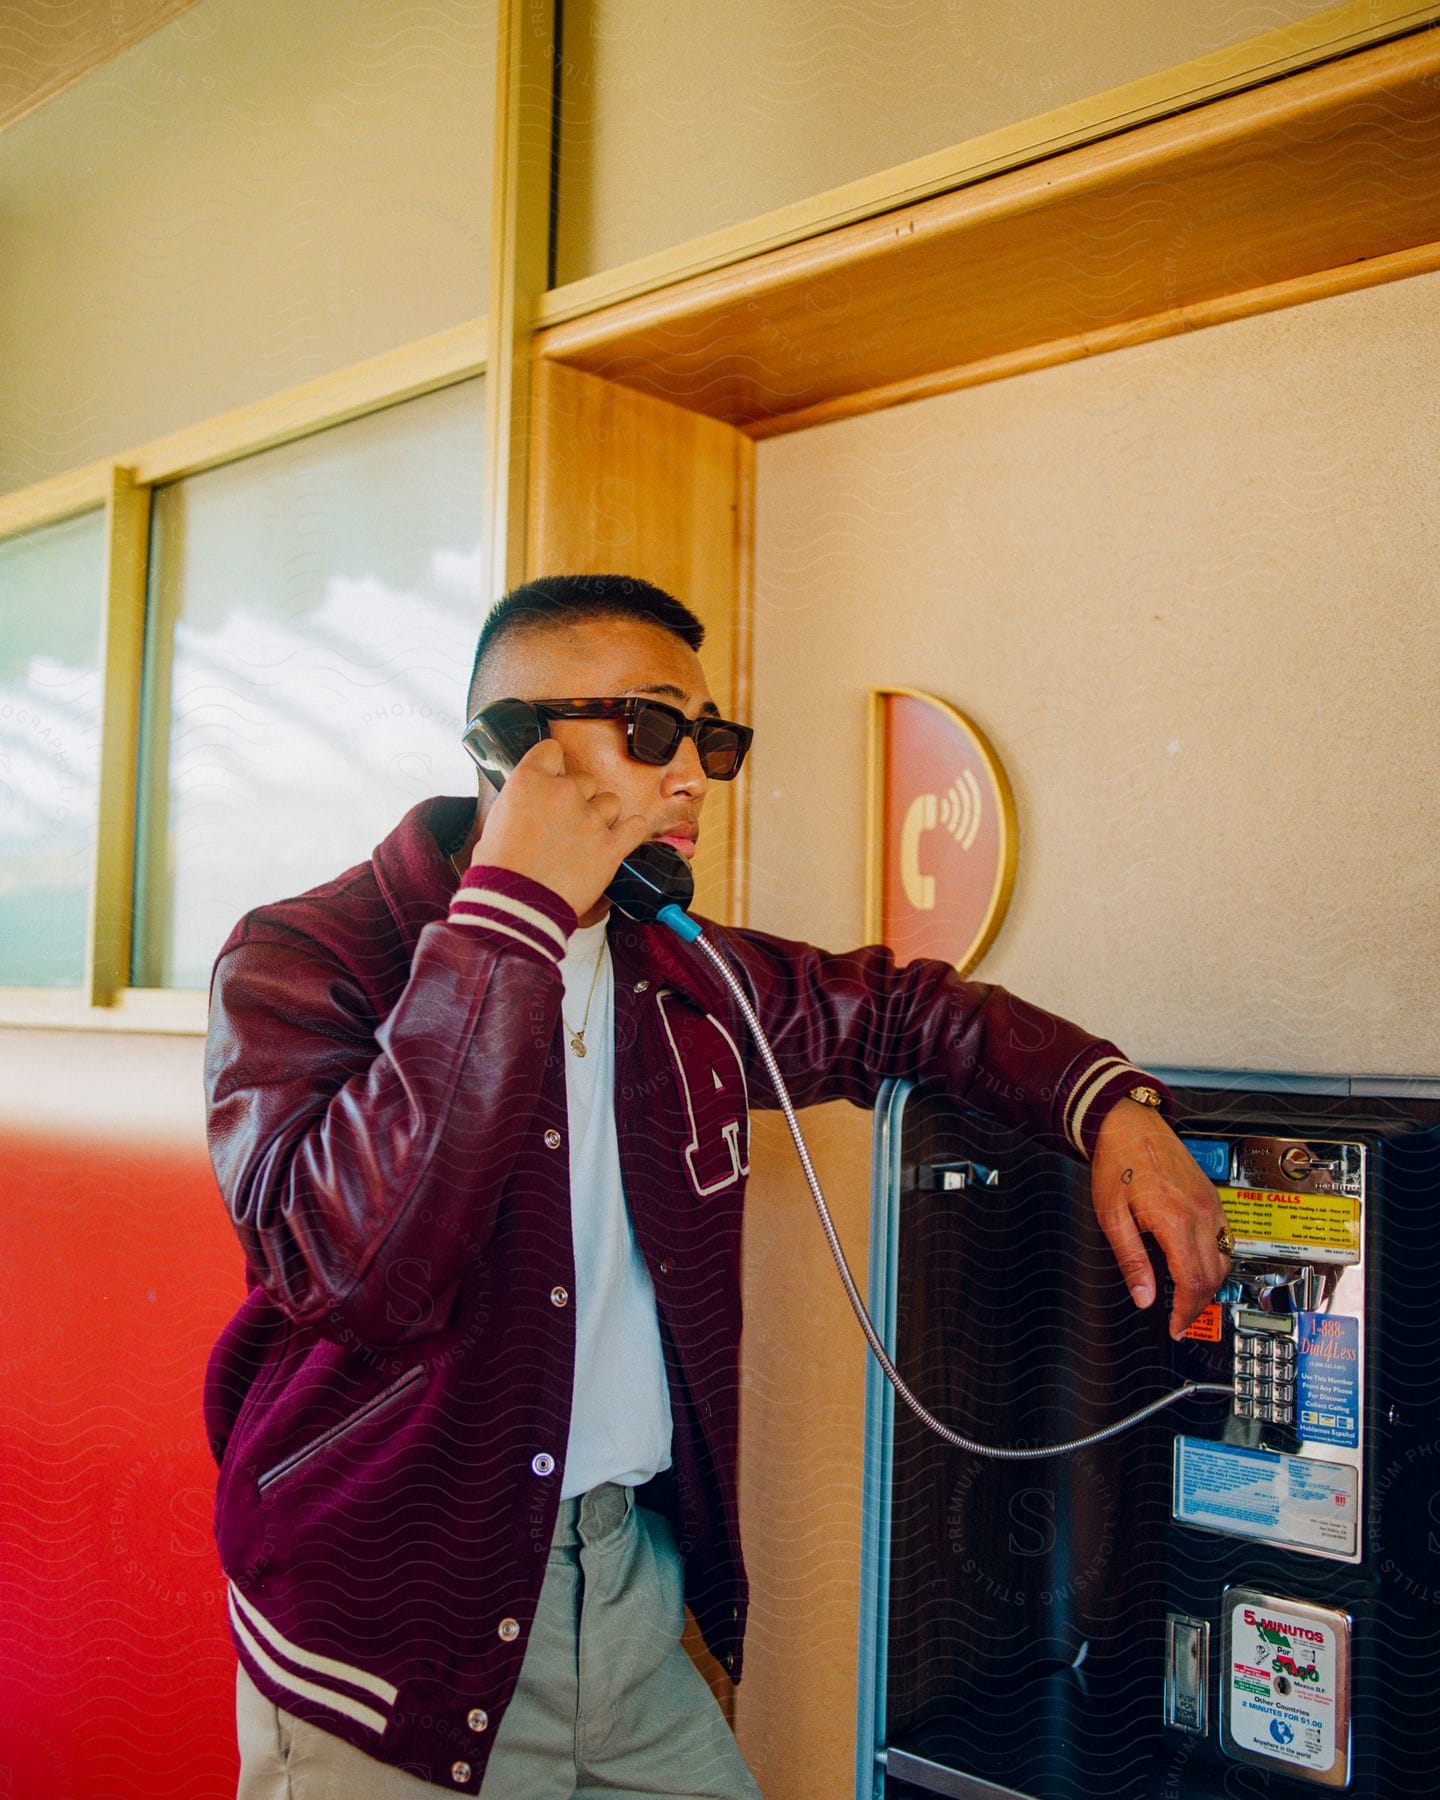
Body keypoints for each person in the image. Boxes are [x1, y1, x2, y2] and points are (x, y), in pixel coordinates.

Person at [203, 574, 1230, 1798]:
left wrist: (1108, 1101)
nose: (693, 777)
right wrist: (511, 914)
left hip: (623, 1586)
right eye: (650, 730)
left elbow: (901, 1012)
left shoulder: (682, 977)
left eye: (713, 740)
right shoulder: (310, 953)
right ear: (509, 748)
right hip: (388, 1624)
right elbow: (350, 1268)